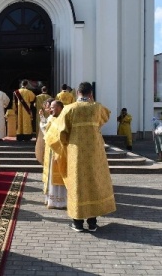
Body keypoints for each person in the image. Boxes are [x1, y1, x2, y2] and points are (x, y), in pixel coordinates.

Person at [45, 82, 116, 232]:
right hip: (95, 153)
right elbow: (106, 116)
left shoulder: (69, 109)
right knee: (93, 183)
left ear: (77, 93)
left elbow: (60, 133)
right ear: (91, 94)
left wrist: (64, 147)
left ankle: (77, 223)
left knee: (77, 184)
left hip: (75, 153)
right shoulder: (97, 107)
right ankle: (92, 223)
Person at [41, 100, 67, 209]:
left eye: (53, 107)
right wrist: (42, 120)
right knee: (52, 175)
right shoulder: (51, 118)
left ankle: (63, 201)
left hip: (62, 151)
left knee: (62, 174)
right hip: (52, 151)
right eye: (50, 107)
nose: (51, 109)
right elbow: (45, 130)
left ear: (60, 108)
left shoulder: (65, 118)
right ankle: (53, 200)